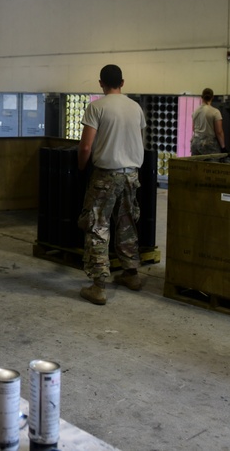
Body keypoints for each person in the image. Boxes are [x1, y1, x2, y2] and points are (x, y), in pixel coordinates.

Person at [76, 64, 147, 306]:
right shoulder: (135, 107)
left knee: (97, 226)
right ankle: (131, 275)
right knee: (127, 223)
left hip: (106, 176)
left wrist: (81, 167)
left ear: (100, 83)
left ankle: (98, 286)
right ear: (123, 82)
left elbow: (85, 146)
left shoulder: (97, 107)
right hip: (131, 175)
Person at [190, 88, 226, 155]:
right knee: (211, 165)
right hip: (209, 145)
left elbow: (193, 129)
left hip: (195, 143)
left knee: (196, 165)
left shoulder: (195, 112)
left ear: (202, 97)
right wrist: (223, 147)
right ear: (212, 97)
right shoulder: (215, 112)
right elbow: (219, 132)